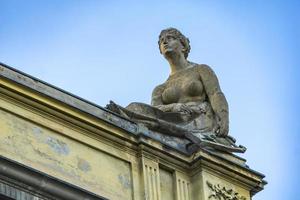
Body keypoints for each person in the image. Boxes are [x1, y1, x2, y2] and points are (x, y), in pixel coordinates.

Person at [107, 28, 244, 152]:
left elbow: (215, 94)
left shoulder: (201, 69)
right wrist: (175, 106)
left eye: (170, 38)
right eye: (161, 41)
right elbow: (155, 111)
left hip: (200, 119)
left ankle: (123, 116)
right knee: (135, 108)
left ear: (183, 46)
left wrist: (224, 117)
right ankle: (119, 116)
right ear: (161, 51)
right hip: (173, 120)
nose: (165, 42)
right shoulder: (160, 88)